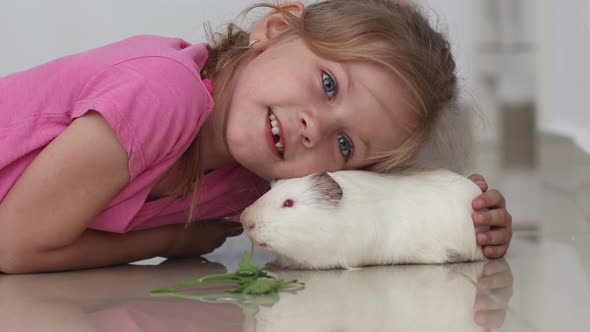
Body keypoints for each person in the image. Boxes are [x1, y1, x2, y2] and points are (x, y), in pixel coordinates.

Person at [0, 0, 512, 274]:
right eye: (327, 84)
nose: (316, 127)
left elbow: (374, 210)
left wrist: (465, 217)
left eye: (345, 145)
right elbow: (12, 247)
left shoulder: (253, 184)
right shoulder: (163, 93)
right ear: (276, 28)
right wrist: (162, 242)